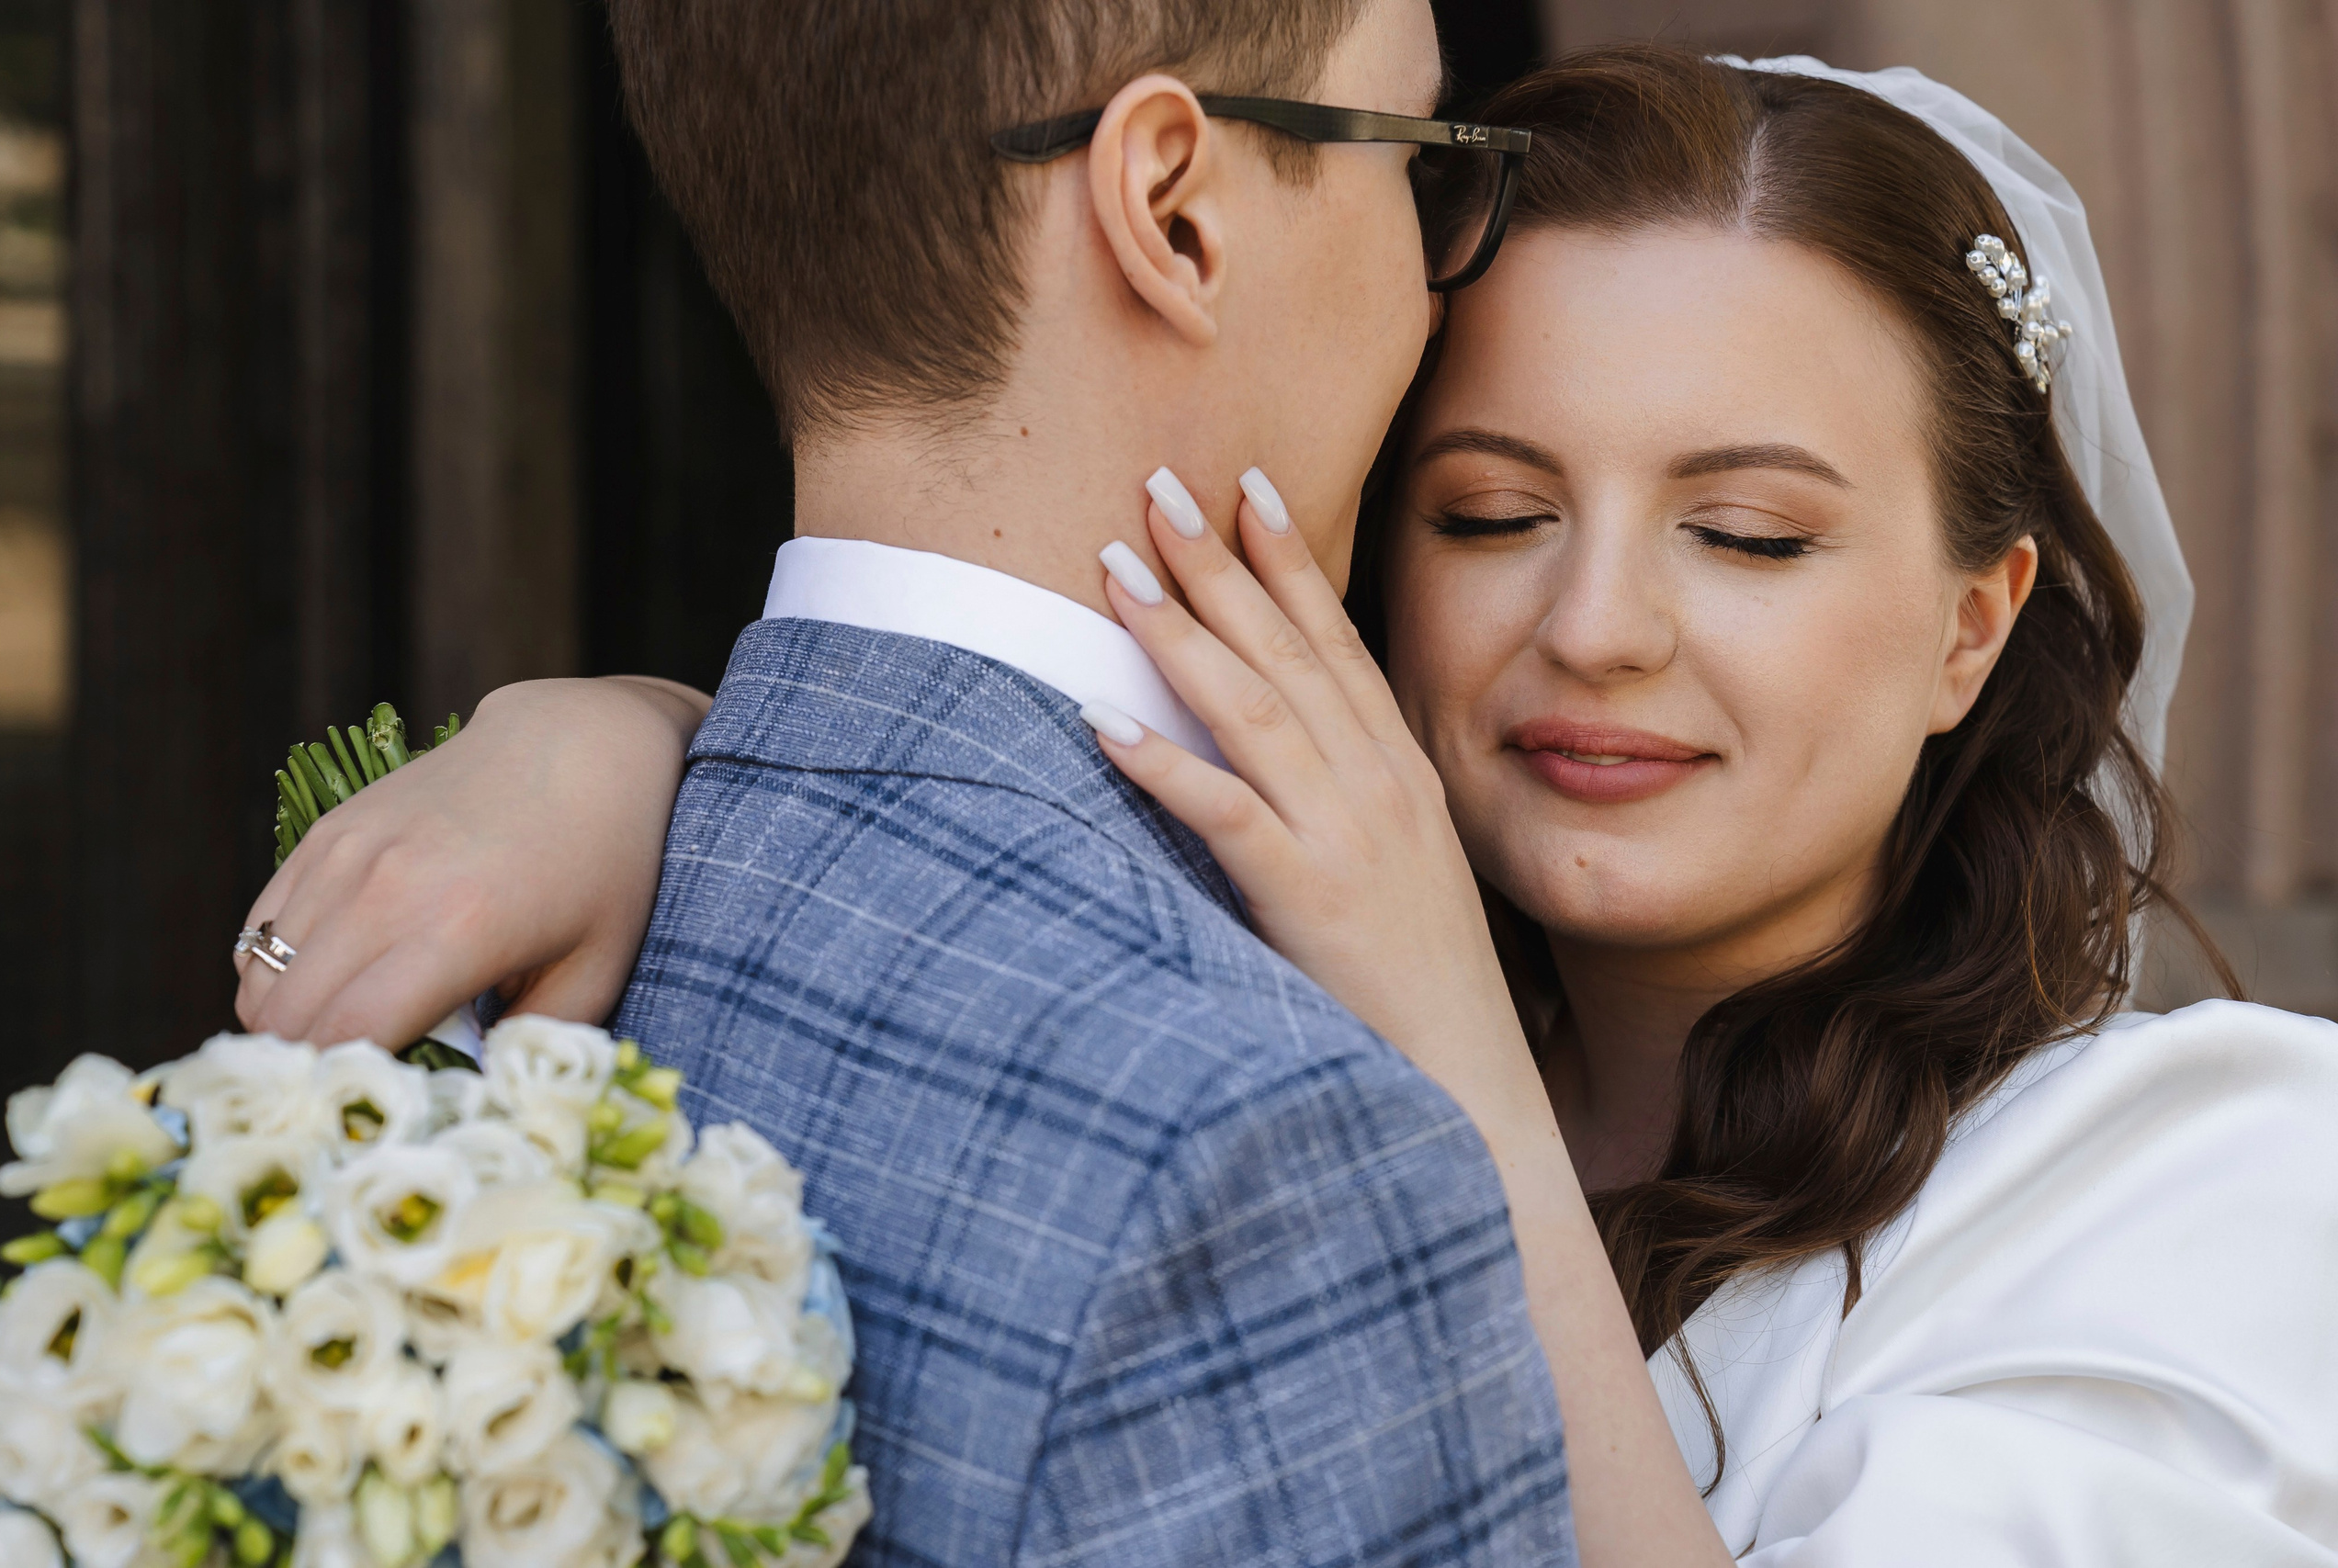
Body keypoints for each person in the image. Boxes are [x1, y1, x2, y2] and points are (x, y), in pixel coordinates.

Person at [237, 38, 2338, 1568]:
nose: (1593, 626)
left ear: (1974, 625)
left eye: (1750, 538)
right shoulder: (1216, 972)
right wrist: (641, 734)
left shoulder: (2210, 1175)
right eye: (1493, 508)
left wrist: (1459, 1070)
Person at [238, 2, 1580, 1566]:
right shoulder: (1267, 1148)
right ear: (1175, 214)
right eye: (1413, 164)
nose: (1435, 279)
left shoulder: (465, 931)